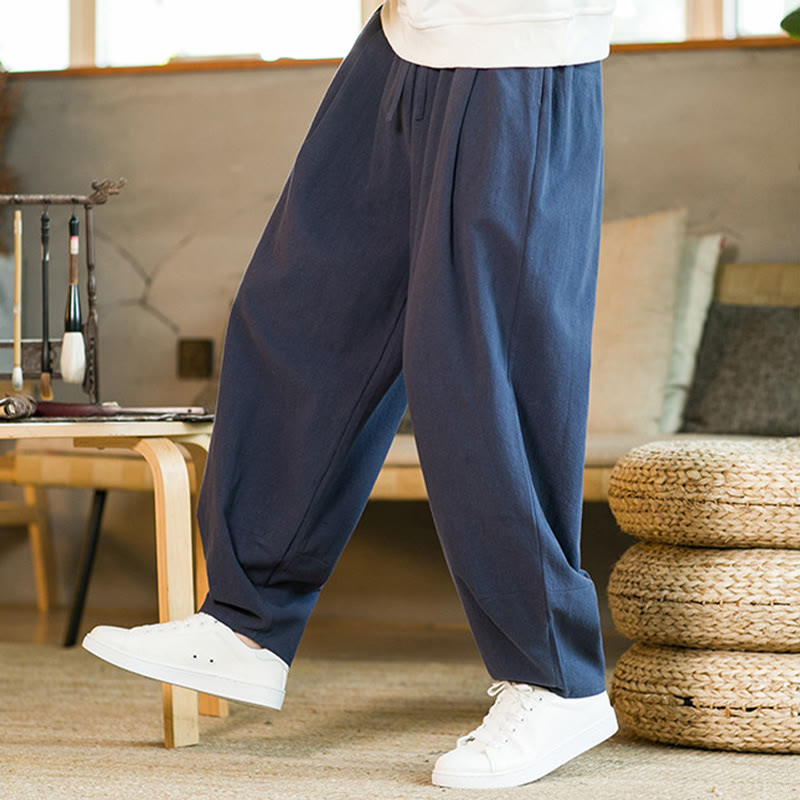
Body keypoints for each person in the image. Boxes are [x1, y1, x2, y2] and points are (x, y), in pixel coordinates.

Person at [83, 0, 619, 788]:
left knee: (478, 369)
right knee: (303, 311)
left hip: (516, 45)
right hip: (401, 38)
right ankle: (247, 623)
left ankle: (556, 678)